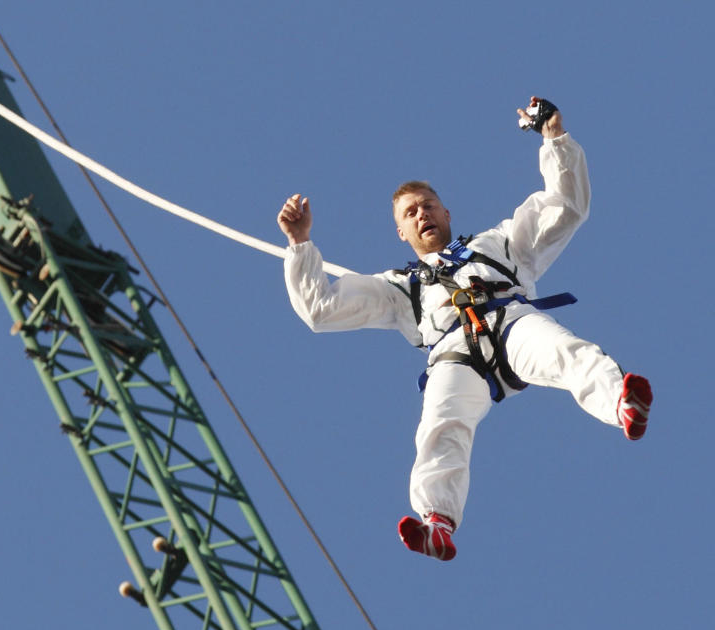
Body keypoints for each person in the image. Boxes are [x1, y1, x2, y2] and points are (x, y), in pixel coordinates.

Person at [276, 97, 653, 561]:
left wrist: (554, 138)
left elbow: (566, 206)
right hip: (455, 353)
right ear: (401, 233)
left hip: (510, 321)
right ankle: (437, 521)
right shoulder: (398, 288)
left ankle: (622, 402)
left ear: (446, 212)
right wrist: (300, 245)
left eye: (428, 206)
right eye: (411, 213)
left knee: (564, 351)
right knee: (441, 423)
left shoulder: (497, 244)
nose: (421, 215)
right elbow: (322, 309)